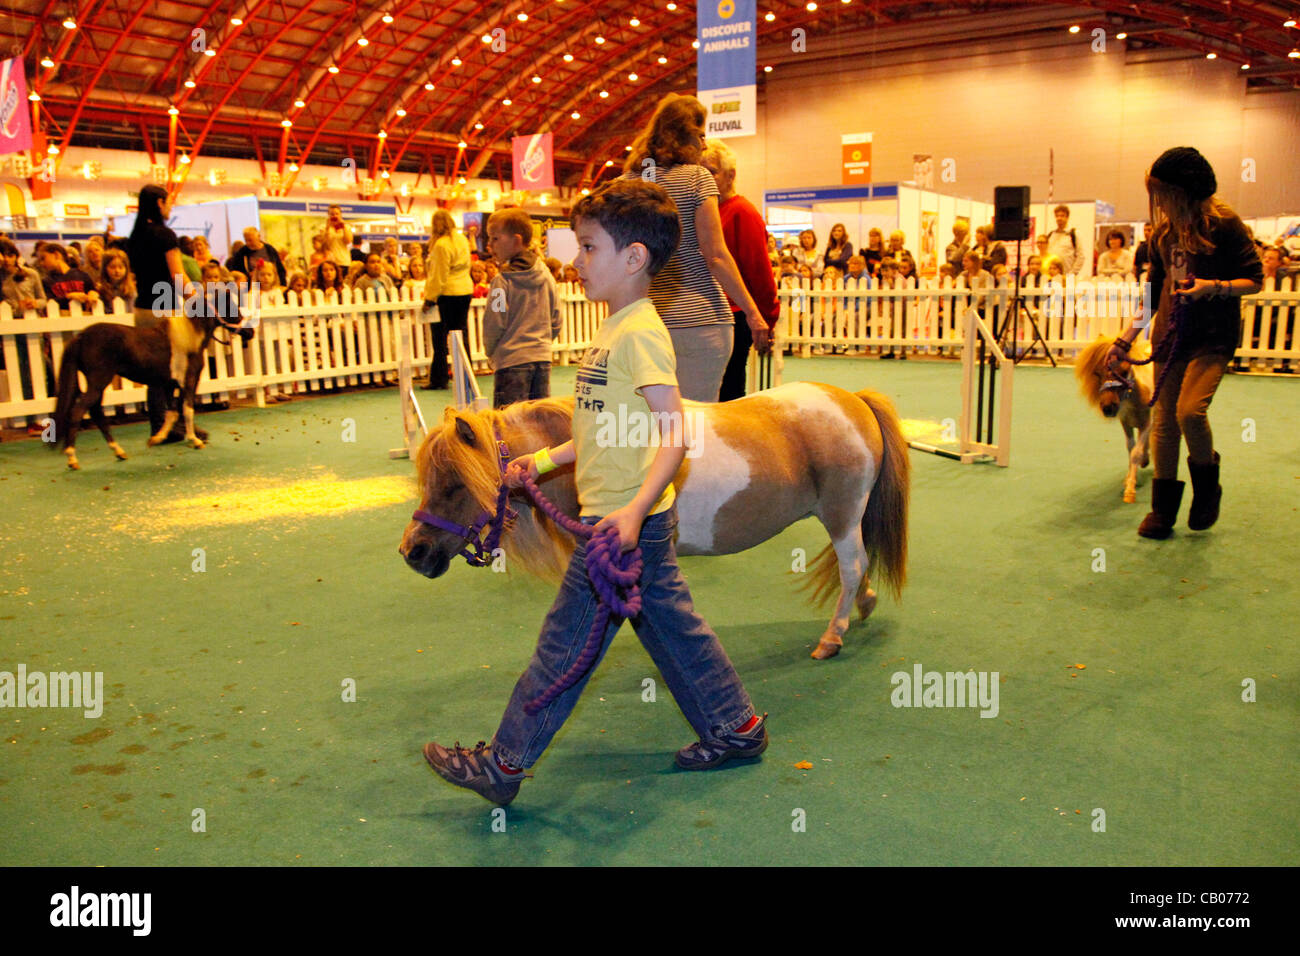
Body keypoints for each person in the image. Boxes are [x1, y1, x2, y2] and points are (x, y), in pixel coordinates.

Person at [423, 179, 767, 805]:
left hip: (619, 525)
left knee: (563, 645)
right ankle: (736, 727)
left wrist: (633, 511)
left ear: (633, 258)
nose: (576, 261)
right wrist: (542, 459)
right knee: (672, 631)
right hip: (626, 521)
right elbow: (604, 430)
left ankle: (503, 765)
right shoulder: (614, 331)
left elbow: (674, 433)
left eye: (588, 248)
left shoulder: (638, 334)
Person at [1107, 147, 1262, 539]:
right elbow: (1151, 294)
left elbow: (1255, 279)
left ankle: (1208, 489)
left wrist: (1213, 287)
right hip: (1170, 337)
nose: (1157, 202)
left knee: (1190, 412)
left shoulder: (1225, 226)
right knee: (1164, 424)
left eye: (1162, 192)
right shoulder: (1163, 234)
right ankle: (1162, 510)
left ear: (1185, 190)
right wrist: (1126, 340)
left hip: (1212, 338)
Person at [621, 92, 768, 402]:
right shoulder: (698, 179)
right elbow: (715, 255)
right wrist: (754, 313)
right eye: (700, 135)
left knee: (647, 423)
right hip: (701, 322)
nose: (704, 145)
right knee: (697, 424)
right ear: (683, 135)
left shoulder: (629, 182)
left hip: (642, 322)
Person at [700, 138, 779, 401]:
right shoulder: (708, 210)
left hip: (736, 317)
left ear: (730, 175)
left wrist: (767, 318)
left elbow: (759, 271)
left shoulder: (743, 212)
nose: (705, 177)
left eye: (711, 171)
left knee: (729, 392)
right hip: (712, 315)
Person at [127, 182, 202, 442]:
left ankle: (161, 423)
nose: (170, 206)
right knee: (176, 366)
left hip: (143, 307)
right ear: (159, 203)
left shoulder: (135, 237)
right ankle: (174, 422)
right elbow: (177, 275)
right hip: (166, 306)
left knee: (153, 368)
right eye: (168, 201)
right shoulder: (165, 236)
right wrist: (197, 301)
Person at [481, 208, 561, 407]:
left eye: (495, 239)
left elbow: (495, 320)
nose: (490, 245)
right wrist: (541, 343)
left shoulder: (501, 282)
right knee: (538, 422)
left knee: (507, 425)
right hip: (541, 360)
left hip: (511, 362)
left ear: (516, 240)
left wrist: (491, 351)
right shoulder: (547, 277)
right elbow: (557, 317)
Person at [422, 209, 473, 389]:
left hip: (447, 295)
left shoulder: (441, 245)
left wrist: (429, 299)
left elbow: (438, 276)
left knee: (440, 339)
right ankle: (467, 376)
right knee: (461, 336)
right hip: (465, 290)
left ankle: (439, 378)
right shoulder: (462, 240)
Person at [39, 244, 99, 311]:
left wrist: (93, 293)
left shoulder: (82, 275)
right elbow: (48, 302)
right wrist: (68, 296)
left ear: (56, 255)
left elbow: (92, 292)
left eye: (43, 258)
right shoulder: (46, 281)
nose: (41, 263)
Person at [1045, 205, 1082, 275]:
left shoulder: (1074, 234)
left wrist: (1072, 273)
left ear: (1067, 217)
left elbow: (1081, 256)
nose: (1059, 218)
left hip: (1068, 275)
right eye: (1057, 216)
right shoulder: (1051, 235)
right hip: (1051, 275)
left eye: (1062, 216)